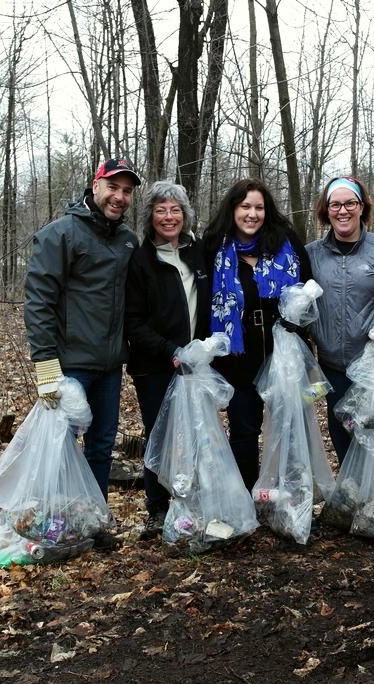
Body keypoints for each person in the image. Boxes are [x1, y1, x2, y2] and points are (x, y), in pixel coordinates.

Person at [24, 157, 142, 507]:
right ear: (95, 185)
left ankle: (93, 516)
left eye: (127, 191)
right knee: (60, 444)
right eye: (113, 187)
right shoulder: (60, 234)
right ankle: (56, 518)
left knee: (102, 445)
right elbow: (38, 301)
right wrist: (45, 365)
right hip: (69, 366)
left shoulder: (128, 241)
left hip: (109, 367)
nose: (119, 197)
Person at [203, 178, 313, 490]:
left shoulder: (286, 243)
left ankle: (289, 498)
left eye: (259, 207)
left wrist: (300, 325)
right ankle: (248, 497)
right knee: (244, 431)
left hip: (283, 355)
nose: (252, 214)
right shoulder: (214, 247)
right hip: (237, 359)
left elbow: (308, 291)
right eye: (245, 206)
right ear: (233, 209)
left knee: (288, 429)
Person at [306, 176, 374, 464]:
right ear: (326, 210)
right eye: (335, 204)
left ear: (361, 207)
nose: (342, 211)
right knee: (346, 442)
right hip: (334, 369)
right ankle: (357, 506)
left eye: (350, 203)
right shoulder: (311, 255)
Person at [125, 181, 211, 540]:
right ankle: (157, 508)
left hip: (196, 364)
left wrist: (205, 349)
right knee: (159, 436)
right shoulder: (141, 260)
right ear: (150, 216)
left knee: (195, 433)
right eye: (161, 209)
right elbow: (133, 321)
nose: (169, 216)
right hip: (155, 366)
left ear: (185, 214)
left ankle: (191, 501)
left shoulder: (198, 254)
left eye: (175, 209)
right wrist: (169, 350)